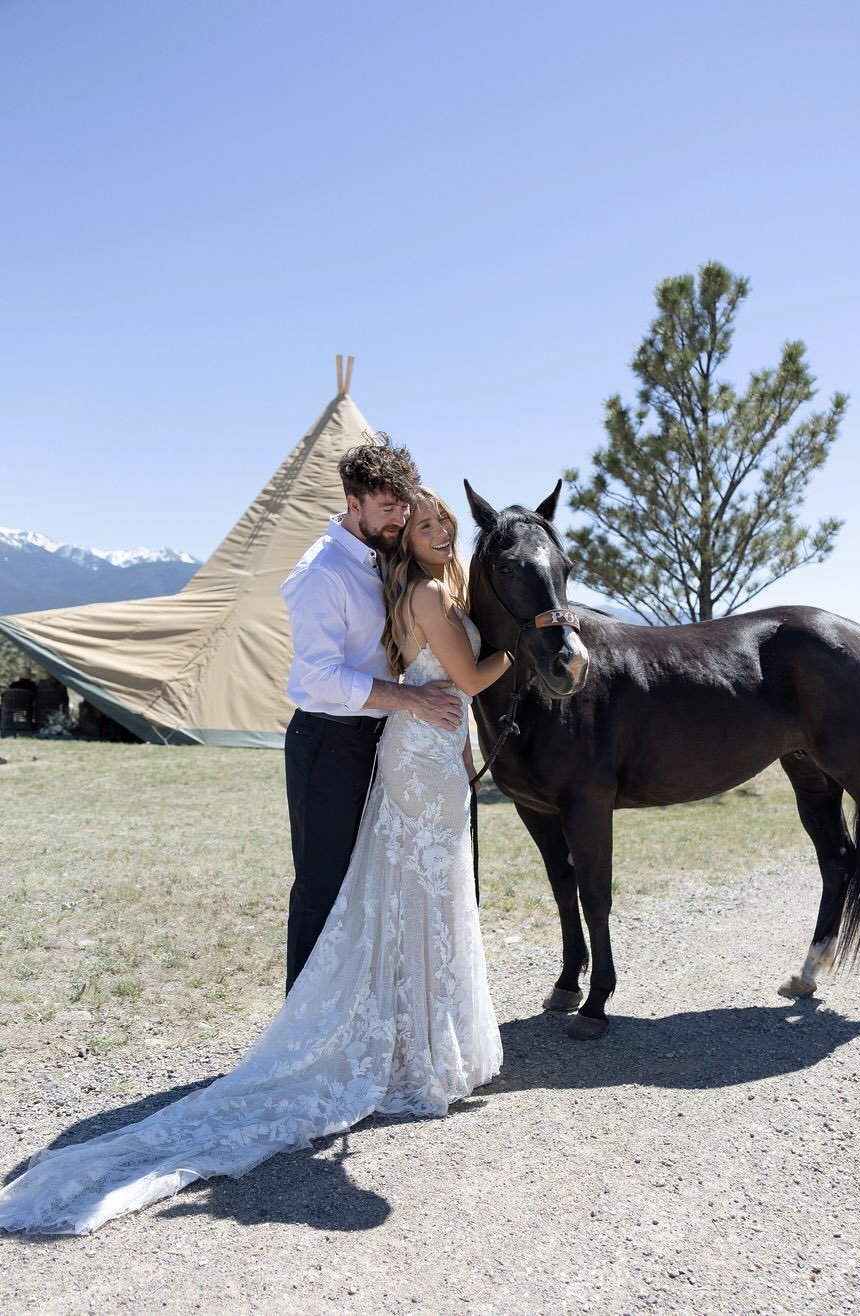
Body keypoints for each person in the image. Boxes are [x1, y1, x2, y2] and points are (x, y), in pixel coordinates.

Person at [0, 488, 511, 1236]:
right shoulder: (377, 582)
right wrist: (522, 646)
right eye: (416, 518)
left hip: (413, 747)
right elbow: (448, 681)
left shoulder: (401, 582)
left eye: (438, 521)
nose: (428, 528)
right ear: (366, 508)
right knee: (384, 893)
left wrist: (443, 725)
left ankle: (409, 1036)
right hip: (380, 744)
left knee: (407, 893)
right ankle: (371, 1041)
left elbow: (439, 688)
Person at [281, 438, 463, 991]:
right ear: (352, 503)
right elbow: (319, 676)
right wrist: (411, 697)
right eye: (388, 508)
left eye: (404, 507)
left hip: (383, 745)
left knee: (370, 885)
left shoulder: (387, 558)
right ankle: (302, 1031)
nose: (400, 519)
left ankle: (354, 1019)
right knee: (323, 885)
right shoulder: (321, 573)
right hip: (327, 744)